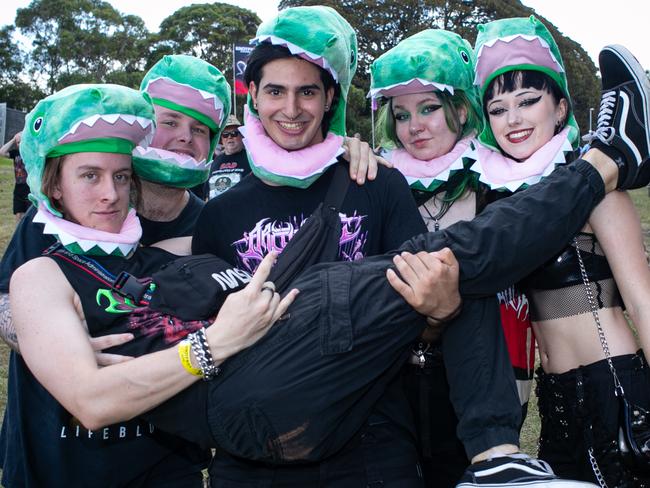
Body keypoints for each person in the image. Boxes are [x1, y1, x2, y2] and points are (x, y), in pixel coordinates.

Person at [8, 45, 650, 486]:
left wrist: (439, 307)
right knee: (453, 255)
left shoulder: (361, 181)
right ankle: (612, 157)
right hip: (251, 416)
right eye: (89, 176)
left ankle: (495, 453)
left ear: (330, 101)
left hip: (362, 430)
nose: (111, 192)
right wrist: (214, 342)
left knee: (450, 268)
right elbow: (80, 385)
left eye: (121, 175)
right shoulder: (52, 265)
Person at [470, 15, 650, 487]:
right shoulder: (504, 204)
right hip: (555, 400)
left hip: (616, 385)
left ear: (561, 108)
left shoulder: (596, 189)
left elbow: (641, 300)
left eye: (528, 101)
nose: (513, 119)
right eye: (497, 108)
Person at [370, 28, 535, 487]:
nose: (414, 126)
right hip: (392, 382)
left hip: (483, 382)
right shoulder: (378, 183)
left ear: (461, 110)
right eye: (401, 115)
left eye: (428, 109)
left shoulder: (501, 182)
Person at [206, 114, 250, 199]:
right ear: (221, 139)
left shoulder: (251, 159)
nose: (229, 137)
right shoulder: (214, 161)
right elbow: (206, 192)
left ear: (241, 136)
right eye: (225, 134)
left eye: (234, 133)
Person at [0, 131, 28, 222]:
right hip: (18, 189)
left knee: (29, 217)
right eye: (18, 142)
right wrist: (13, 139)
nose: (20, 144)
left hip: (30, 189)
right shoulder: (15, 153)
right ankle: (18, 235)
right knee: (19, 215)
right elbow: (2, 152)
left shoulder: (31, 153)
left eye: (22, 141)